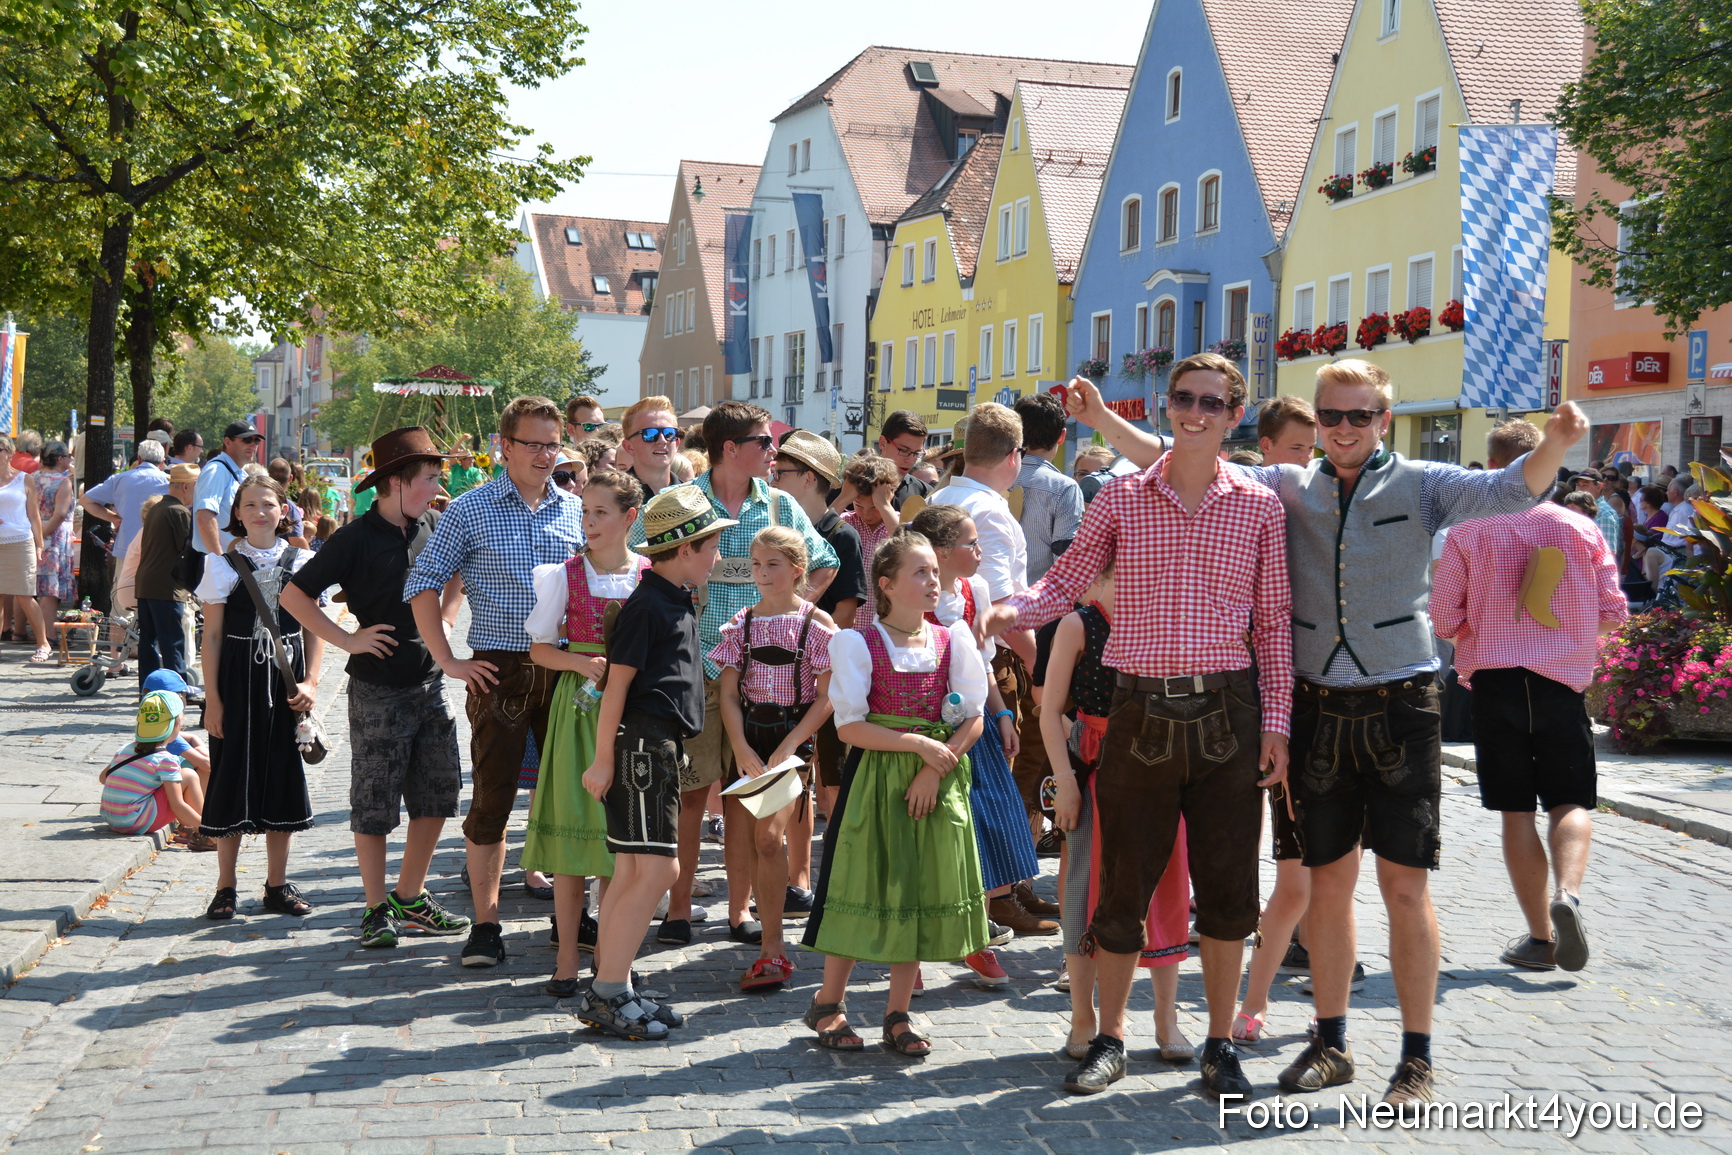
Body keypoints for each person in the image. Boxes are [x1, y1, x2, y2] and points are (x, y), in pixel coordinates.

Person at [1055, 362, 1587, 1104]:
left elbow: (1507, 489)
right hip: (1315, 711)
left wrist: (1556, 442)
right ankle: (1331, 1043)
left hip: (1402, 705)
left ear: (1383, 419)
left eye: (1359, 416)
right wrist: (1106, 423)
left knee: (1405, 887)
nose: (1344, 429)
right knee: (1326, 890)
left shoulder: (1425, 483)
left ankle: (1415, 1057)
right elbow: (1175, 456)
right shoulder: (1282, 486)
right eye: (1332, 416)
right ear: (1318, 422)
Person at [979, 353, 1291, 1102]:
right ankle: (1110, 1038)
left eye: (1210, 402)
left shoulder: (1259, 505)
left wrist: (1277, 723)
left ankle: (1219, 1043)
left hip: (1228, 714)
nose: (1194, 411)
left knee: (1226, 892)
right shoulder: (1120, 498)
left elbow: (1275, 624)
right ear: (1167, 405)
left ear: (1232, 414)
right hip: (1140, 709)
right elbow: (1066, 578)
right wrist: (1011, 611)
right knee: (1120, 888)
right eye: (1183, 397)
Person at [626, 401, 837, 949]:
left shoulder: (781, 506)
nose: (775, 452)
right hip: (693, 669)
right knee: (692, 795)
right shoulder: (684, 504)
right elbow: (634, 557)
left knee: (750, 798)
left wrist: (795, 610)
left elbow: (825, 558)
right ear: (729, 449)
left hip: (763, 679)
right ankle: (679, 906)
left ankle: (739, 909)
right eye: (764, 442)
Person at [406, 396, 585, 968]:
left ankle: (571, 917)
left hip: (566, 668)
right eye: (532, 443)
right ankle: (486, 925)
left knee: (570, 797)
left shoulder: (577, 511)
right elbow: (423, 583)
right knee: (492, 799)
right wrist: (450, 661)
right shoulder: (471, 509)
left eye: (553, 443)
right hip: (499, 669)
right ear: (504, 447)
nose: (544, 454)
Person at [801, 530, 991, 1057]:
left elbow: (972, 716)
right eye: (920, 572)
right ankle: (828, 1001)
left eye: (934, 570)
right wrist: (915, 746)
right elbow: (849, 727)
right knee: (863, 885)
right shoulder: (858, 642)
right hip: (879, 780)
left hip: (935, 779)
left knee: (919, 890)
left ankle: (899, 1013)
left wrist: (936, 765)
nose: (933, 581)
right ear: (886, 584)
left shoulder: (952, 639)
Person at [281, 428, 471, 951]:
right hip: (377, 692)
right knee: (374, 802)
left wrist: (449, 620)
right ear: (393, 482)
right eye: (428, 479)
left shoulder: (434, 524)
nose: (435, 489)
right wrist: (347, 638)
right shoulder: (354, 539)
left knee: (437, 794)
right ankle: (373, 908)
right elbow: (295, 596)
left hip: (431, 685)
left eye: (436, 479)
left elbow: (457, 574)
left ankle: (410, 896)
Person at [1433, 497, 1627, 972]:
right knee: (1571, 800)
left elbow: (1442, 618)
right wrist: (1566, 638)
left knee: (1515, 812)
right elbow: (1613, 612)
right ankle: (1569, 895)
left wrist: (1485, 633)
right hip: (1560, 683)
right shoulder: (1580, 527)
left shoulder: (1468, 531)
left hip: (1496, 685)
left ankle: (1541, 939)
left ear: (1496, 469)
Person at [576, 485, 727, 1040]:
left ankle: (611, 986)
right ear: (685, 548)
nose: (716, 557)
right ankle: (610, 990)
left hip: (653, 744)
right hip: (641, 746)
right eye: (712, 546)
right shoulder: (648, 605)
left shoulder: (670, 598)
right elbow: (616, 686)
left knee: (634, 870)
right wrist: (601, 760)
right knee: (659, 869)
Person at [1042, 565, 1193, 1065]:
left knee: (1166, 891)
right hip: (1094, 771)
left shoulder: (1165, 616)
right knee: (1085, 893)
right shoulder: (1078, 625)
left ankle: (1166, 1017)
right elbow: (1048, 710)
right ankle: (1086, 1017)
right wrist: (1065, 781)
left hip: (1161, 768)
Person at [521, 469, 648, 995]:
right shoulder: (565, 575)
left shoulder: (648, 574)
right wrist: (579, 661)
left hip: (632, 720)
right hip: (578, 718)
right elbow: (538, 648)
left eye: (600, 513)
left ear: (629, 518)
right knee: (575, 844)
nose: (590, 522)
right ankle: (568, 957)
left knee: (618, 846)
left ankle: (610, 957)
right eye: (585, 512)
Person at [928, 403, 1052, 935]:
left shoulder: (941, 496)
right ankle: (1000, 892)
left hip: (952, 659)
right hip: (988, 663)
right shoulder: (989, 510)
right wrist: (1040, 666)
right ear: (1014, 457)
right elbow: (1005, 606)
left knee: (994, 783)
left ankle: (1008, 887)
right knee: (1008, 780)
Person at [910, 502, 1045, 975]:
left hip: (972, 723)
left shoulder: (975, 588)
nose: (980, 550)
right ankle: (933, 925)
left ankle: (977, 916)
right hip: (924, 722)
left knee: (986, 818)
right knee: (934, 826)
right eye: (970, 543)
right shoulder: (913, 593)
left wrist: (1003, 713)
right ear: (943, 553)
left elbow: (984, 662)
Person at [712, 526, 837, 992]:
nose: (762, 574)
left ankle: (774, 949)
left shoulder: (814, 622)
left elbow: (826, 697)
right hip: (748, 739)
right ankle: (767, 940)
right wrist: (741, 747)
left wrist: (793, 746)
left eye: (773, 565)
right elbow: (727, 693)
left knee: (769, 838)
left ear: (797, 570)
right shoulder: (740, 622)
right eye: (757, 565)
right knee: (747, 843)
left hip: (792, 742)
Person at [197, 475, 324, 921]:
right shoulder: (221, 565)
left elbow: (313, 627)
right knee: (229, 771)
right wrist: (212, 699)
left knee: (282, 770)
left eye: (267, 504)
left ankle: (276, 883)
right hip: (235, 676)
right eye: (249, 505)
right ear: (237, 513)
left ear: (283, 510)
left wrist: (310, 682)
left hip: (284, 680)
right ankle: (225, 885)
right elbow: (211, 636)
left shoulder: (303, 560)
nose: (259, 512)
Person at [772, 431, 866, 868]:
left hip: (823, 671)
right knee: (790, 775)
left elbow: (845, 612)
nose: (773, 478)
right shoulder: (778, 529)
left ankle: (834, 865)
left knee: (830, 771)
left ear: (809, 478)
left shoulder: (841, 536)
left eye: (782, 472)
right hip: (777, 673)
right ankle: (794, 870)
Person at [100, 690, 205, 836]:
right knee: (188, 775)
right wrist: (210, 832)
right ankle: (204, 832)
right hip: (135, 822)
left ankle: (192, 828)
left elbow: (103, 778)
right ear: (177, 725)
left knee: (170, 781)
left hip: (113, 819)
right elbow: (177, 805)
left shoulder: (125, 749)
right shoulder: (166, 759)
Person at [80, 437, 170, 605]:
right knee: (156, 607)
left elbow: (85, 500)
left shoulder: (120, 479)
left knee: (122, 609)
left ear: (139, 458)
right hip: (160, 551)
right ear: (162, 461)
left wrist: (112, 518)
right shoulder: (170, 482)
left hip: (126, 549)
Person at [134, 463, 200, 684]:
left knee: (149, 642)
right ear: (184, 486)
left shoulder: (157, 508)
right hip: (166, 586)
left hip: (147, 584)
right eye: (195, 487)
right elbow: (190, 550)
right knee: (172, 642)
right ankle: (176, 690)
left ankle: (149, 687)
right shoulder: (178, 511)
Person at [1013, 393, 1086, 585]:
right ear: (1062, 436)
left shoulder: (993, 478)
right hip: (1040, 604)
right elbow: (1066, 563)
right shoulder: (1064, 488)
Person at [0, 436, 50, 661]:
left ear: (9, 453)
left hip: (20, 542)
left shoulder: (24, 479)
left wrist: (39, 544)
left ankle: (43, 643)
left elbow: (34, 515)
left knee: (24, 595)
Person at [837, 453, 899, 629]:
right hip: (848, 626)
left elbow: (908, 546)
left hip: (886, 627)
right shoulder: (844, 521)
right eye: (858, 505)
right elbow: (817, 533)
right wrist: (843, 498)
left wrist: (885, 507)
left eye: (875, 507)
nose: (866, 513)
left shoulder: (897, 523)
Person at [192, 420, 265, 557]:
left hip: (231, 560)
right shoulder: (217, 470)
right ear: (228, 442)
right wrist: (219, 560)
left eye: (256, 441)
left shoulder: (238, 473)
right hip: (214, 561)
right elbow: (204, 517)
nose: (252, 445)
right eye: (246, 439)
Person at [33, 443, 76, 627]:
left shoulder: (32, 477)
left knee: (26, 588)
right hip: (53, 537)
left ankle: (18, 630)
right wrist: (42, 536)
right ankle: (49, 635)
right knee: (50, 590)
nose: (70, 459)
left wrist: (35, 534)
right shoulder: (62, 482)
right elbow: (59, 514)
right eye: (67, 456)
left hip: (32, 531)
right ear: (59, 459)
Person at [618, 396, 682, 506]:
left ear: (676, 444)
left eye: (669, 433)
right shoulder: (613, 497)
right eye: (650, 434)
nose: (662, 441)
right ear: (629, 447)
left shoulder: (692, 497)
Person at [876, 410, 934, 509]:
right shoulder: (854, 485)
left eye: (917, 453)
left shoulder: (925, 493)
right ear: (883, 443)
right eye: (903, 450)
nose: (910, 461)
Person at [1257, 396, 1317, 467]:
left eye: (1311, 448)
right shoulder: (1245, 477)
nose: (1307, 458)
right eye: (1296, 448)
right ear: (1266, 446)